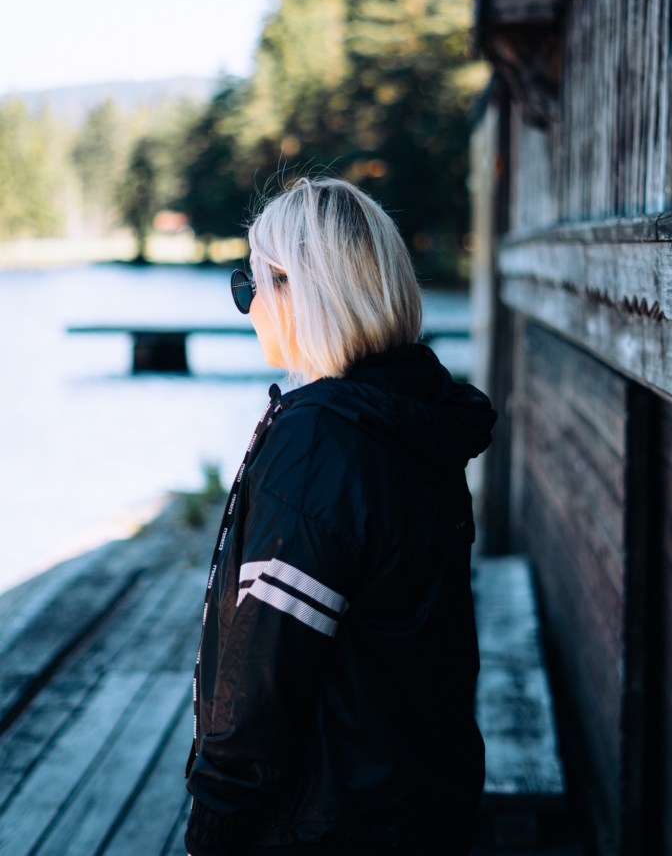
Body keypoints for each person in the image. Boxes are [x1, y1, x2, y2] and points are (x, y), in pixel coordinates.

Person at [184, 176, 496, 856]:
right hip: (419, 798)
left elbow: (269, 662)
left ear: (300, 290)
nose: (248, 305)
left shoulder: (321, 442)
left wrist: (217, 806)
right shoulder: (413, 421)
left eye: (251, 283)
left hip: (328, 822)